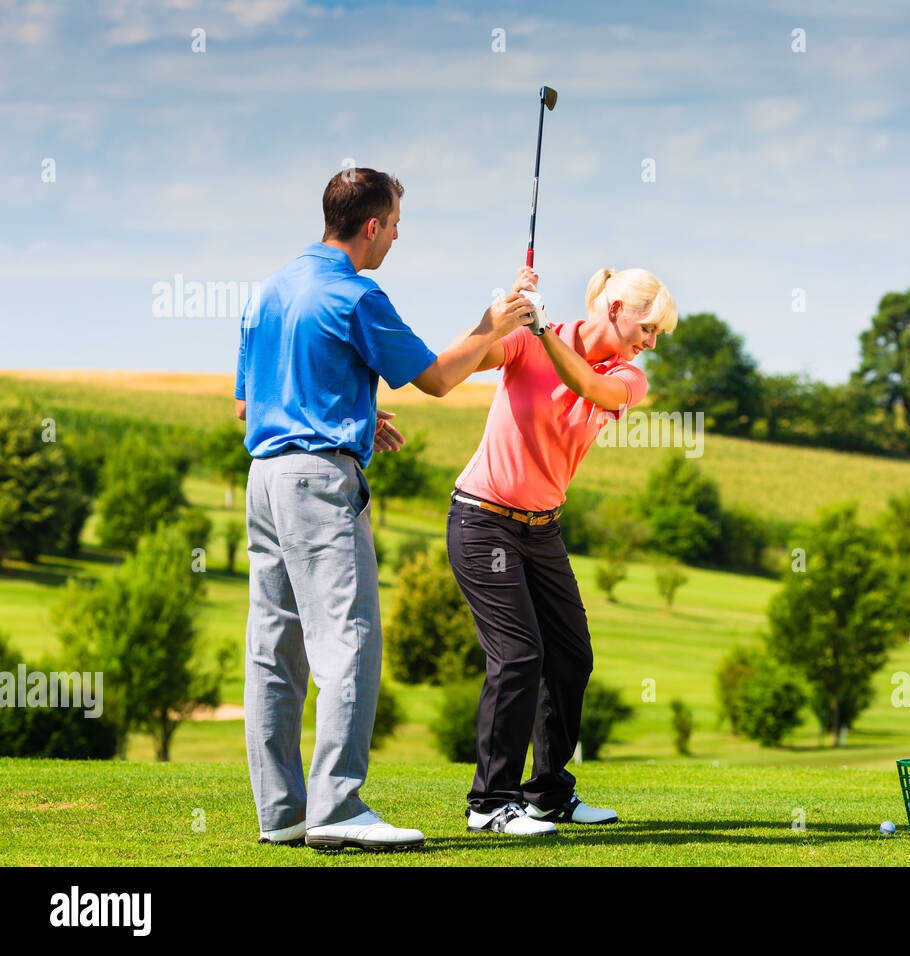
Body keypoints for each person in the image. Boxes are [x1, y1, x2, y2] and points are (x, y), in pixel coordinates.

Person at [235, 167, 536, 850]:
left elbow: (249, 407)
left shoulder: (268, 292)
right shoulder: (355, 294)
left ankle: (282, 813)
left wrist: (356, 414)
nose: (398, 236)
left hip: (264, 479)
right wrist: (492, 325)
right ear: (371, 225)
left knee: (272, 650)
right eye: (396, 223)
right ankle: (338, 807)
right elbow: (436, 378)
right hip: (318, 485)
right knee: (349, 640)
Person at [448, 265, 677, 836]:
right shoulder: (526, 340)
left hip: (542, 528)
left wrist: (545, 330)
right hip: (483, 520)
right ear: (617, 308)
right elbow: (461, 364)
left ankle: (547, 793)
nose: (650, 344)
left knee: (571, 657)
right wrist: (501, 316)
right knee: (520, 654)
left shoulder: (627, 376)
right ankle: (490, 805)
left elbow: (586, 387)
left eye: (657, 336)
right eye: (647, 329)